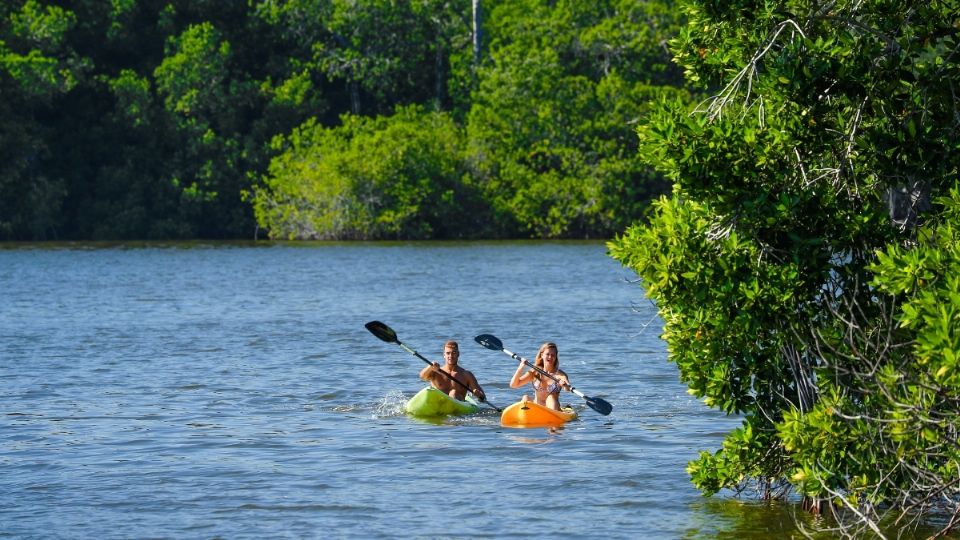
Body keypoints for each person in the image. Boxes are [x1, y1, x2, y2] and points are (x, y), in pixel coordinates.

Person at [419, 340, 487, 402]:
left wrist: (479, 395)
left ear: (458, 354)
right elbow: (422, 377)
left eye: (454, 353)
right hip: (439, 404)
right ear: (444, 355)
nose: (450, 356)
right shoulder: (435, 371)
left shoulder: (466, 375)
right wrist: (429, 367)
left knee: (453, 393)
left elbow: (483, 398)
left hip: (458, 408)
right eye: (448, 353)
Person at [509, 341, 569, 410]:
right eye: (547, 354)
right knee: (525, 398)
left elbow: (567, 389)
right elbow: (513, 385)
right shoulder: (535, 372)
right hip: (537, 409)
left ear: (556, 357)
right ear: (542, 355)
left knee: (551, 397)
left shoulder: (559, 375)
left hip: (553, 410)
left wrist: (564, 385)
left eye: (553, 355)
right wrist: (521, 367)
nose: (550, 357)